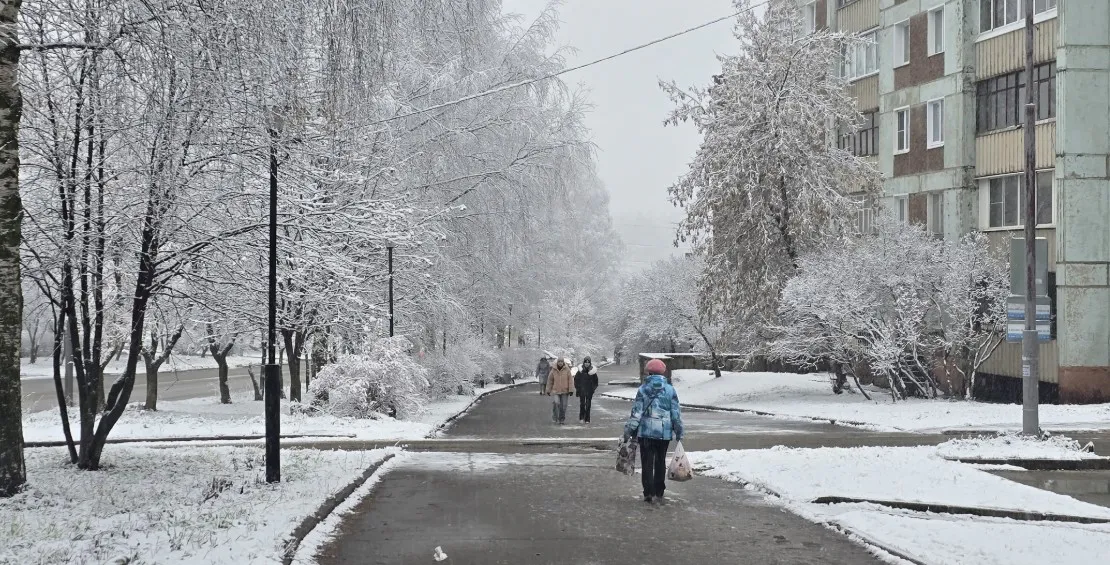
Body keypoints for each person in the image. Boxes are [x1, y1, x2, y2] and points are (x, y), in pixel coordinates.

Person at [623, 358, 684, 504]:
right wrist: (679, 431)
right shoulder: (670, 390)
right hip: (664, 433)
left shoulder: (643, 389)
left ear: (648, 372)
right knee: (660, 461)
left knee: (647, 462)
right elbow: (675, 413)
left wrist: (629, 430)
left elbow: (636, 412)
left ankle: (648, 492)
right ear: (663, 372)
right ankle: (659, 490)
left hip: (646, 432)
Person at [545, 357, 574, 424]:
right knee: (556, 403)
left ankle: (562, 419)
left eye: (561, 362)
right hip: (556, 391)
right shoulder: (553, 370)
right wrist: (548, 390)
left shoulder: (567, 370)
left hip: (565, 391)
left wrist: (571, 390)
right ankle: (555, 417)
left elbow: (570, 380)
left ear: (563, 362)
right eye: (559, 362)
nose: (560, 363)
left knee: (563, 406)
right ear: (557, 362)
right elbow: (550, 380)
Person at [576, 356, 599, 423]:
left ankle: (587, 418)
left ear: (590, 363)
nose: (587, 363)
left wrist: (593, 388)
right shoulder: (580, 371)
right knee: (582, 404)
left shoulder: (592, 372)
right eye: (586, 362)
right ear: (584, 362)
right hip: (582, 390)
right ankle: (581, 417)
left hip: (589, 390)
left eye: (588, 362)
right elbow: (576, 380)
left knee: (588, 405)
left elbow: (596, 381)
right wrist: (578, 388)